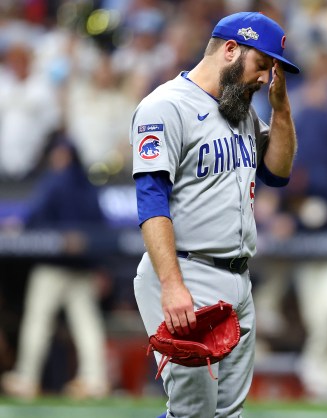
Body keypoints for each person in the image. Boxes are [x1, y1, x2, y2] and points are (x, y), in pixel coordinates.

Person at [130, 12, 299, 418]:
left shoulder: (238, 108)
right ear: (230, 50)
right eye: (262, 65)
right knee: (192, 413)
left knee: (227, 415)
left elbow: (277, 172)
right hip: (187, 272)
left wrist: (282, 110)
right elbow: (151, 200)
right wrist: (172, 285)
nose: (264, 78)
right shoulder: (165, 106)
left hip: (238, 278)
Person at [0, 136, 109, 400]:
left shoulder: (59, 183)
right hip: (68, 266)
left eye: (63, 157)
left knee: (49, 322)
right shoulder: (84, 186)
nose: (59, 162)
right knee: (77, 323)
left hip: (59, 266)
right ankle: (93, 379)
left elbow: (35, 217)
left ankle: (30, 378)